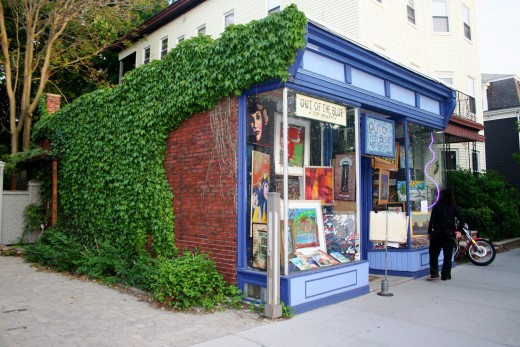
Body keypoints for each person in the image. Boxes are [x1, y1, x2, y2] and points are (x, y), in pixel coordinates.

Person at [427, 188, 463, 281]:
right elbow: (461, 220)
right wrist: (458, 230)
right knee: (448, 255)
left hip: (437, 233)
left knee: (434, 254)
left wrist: (430, 232)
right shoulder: (453, 207)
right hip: (449, 233)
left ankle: (434, 273)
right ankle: (446, 275)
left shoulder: (437, 206)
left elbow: (432, 221)